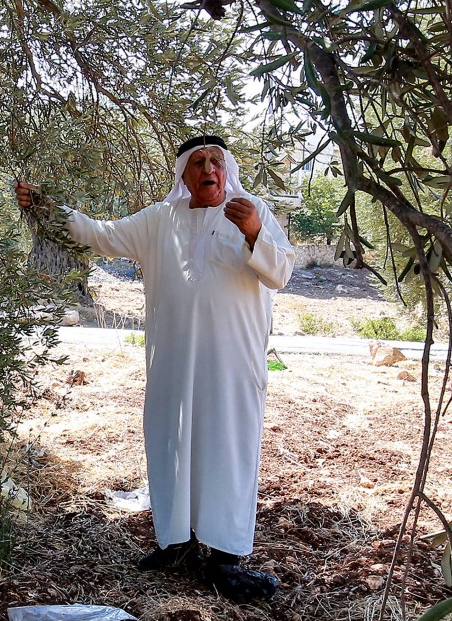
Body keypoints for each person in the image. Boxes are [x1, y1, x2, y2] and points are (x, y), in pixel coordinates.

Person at [15, 135, 294, 601]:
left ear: (227, 169)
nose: (209, 169)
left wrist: (253, 231)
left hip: (233, 364)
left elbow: (280, 273)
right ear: (184, 174)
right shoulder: (159, 220)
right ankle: (177, 543)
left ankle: (225, 558)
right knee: (172, 443)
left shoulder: (252, 210)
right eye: (198, 162)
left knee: (228, 448)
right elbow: (100, 234)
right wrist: (45, 207)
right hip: (172, 362)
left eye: (216, 161)